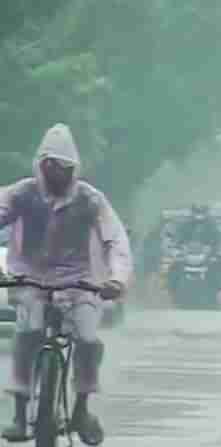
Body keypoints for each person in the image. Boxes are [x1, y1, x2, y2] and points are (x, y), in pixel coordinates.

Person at [0, 124, 132, 445]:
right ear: (41, 165)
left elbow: (115, 240)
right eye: (50, 167)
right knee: (27, 334)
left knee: (87, 340)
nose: (56, 175)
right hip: (29, 278)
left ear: (72, 169)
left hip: (80, 283)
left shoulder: (90, 199)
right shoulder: (20, 194)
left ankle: (81, 409)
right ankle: (19, 412)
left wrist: (116, 279)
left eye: (63, 168)